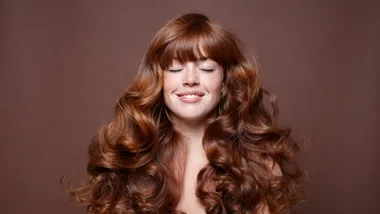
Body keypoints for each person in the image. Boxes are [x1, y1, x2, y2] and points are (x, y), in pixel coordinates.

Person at [61, 13, 304, 214]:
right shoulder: (129, 158)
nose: (190, 80)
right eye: (175, 68)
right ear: (158, 79)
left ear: (225, 79)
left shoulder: (258, 161)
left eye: (206, 68)